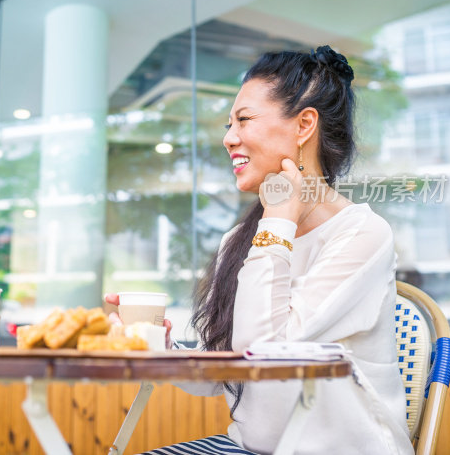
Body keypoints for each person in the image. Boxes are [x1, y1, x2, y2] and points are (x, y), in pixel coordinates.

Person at [107, 46, 413, 454]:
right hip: (247, 447)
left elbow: (264, 356)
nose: (228, 137)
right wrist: (154, 348)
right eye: (229, 123)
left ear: (305, 124)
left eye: (244, 120)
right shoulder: (240, 240)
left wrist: (278, 219)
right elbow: (224, 372)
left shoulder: (362, 235)